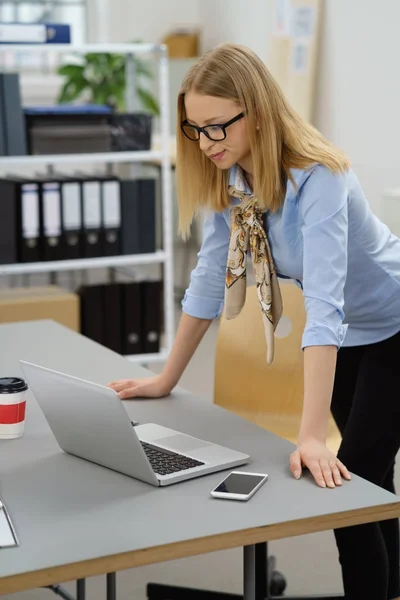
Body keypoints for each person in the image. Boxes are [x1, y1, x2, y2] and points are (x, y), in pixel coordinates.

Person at [109, 43, 400, 599]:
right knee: (371, 482)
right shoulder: (234, 180)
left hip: (393, 319)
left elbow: (325, 304)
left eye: (217, 127)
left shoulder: (319, 178)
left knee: (351, 475)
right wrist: (166, 378)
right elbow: (210, 273)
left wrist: (312, 436)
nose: (206, 143)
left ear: (258, 112)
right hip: (351, 331)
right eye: (195, 129)